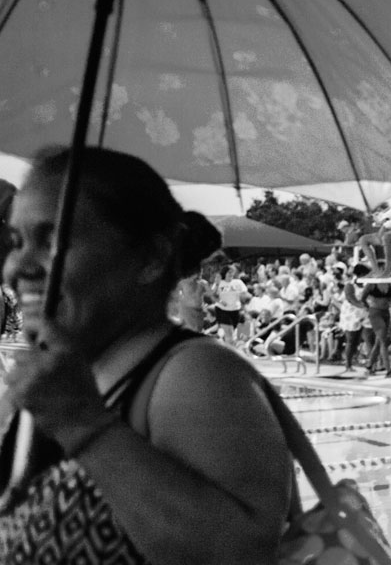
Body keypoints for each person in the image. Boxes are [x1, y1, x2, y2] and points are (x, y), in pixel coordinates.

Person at [0, 147, 291, 562]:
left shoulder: (193, 375)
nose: (18, 266)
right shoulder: (58, 376)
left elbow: (239, 552)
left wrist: (84, 425)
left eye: (54, 240)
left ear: (151, 258)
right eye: (17, 241)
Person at [212, 265, 249, 347]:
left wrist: (244, 301)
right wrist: (217, 285)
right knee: (229, 334)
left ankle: (227, 347)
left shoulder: (238, 282)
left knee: (235, 333)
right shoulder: (220, 282)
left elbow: (244, 295)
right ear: (224, 273)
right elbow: (213, 296)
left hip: (235, 310)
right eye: (229, 272)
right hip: (222, 310)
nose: (231, 274)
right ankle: (229, 353)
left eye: (232, 272)